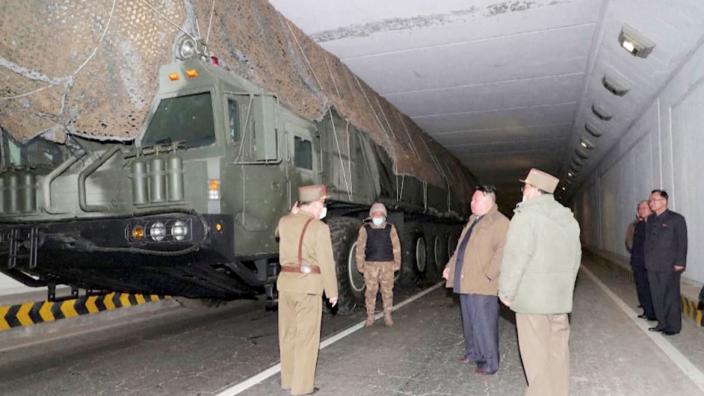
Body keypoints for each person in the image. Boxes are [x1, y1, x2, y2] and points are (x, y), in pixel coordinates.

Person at [498, 169, 581, 396]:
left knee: (536, 358)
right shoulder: (568, 219)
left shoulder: (525, 217)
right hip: (559, 300)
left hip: (532, 302)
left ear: (534, 189)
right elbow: (576, 260)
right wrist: (565, 289)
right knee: (558, 353)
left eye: (525, 186)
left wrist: (506, 292)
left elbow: (515, 258)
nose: (523, 190)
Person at [276, 184, 338, 395]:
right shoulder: (319, 228)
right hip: (308, 288)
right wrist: (332, 291)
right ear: (314, 204)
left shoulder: (284, 222)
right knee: (306, 338)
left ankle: (288, 380)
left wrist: (291, 213)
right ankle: (302, 388)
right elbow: (326, 262)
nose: (323, 208)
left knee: (287, 335)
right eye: (322, 203)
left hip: (285, 285)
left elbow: (277, 233)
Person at [442, 185, 509, 375]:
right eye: (472, 200)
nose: (471, 203)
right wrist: (450, 266)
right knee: (470, 320)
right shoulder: (473, 221)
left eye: (475, 200)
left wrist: (489, 274)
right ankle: (473, 352)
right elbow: (460, 249)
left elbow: (504, 251)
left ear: (489, 201)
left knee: (484, 324)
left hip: (483, 283)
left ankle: (490, 362)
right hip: (466, 280)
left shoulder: (500, 222)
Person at [645, 189, 687, 335]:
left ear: (664, 201)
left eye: (654, 200)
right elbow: (648, 242)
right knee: (656, 295)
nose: (651, 203)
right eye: (650, 200)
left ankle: (673, 327)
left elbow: (682, 242)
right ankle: (662, 323)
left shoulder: (676, 219)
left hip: (669, 265)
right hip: (652, 265)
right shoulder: (650, 219)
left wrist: (680, 262)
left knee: (670, 296)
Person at [355, 202, 402, 327]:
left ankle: (387, 315)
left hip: (387, 265)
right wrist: (360, 265)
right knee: (370, 292)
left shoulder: (390, 228)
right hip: (370, 266)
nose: (377, 215)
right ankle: (370, 316)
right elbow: (360, 248)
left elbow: (396, 247)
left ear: (384, 216)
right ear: (371, 215)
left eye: (380, 214)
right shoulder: (365, 229)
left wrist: (397, 263)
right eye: (375, 213)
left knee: (387, 291)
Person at [625, 200, 656, 321]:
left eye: (645, 207)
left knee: (649, 288)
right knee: (641, 288)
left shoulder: (654, 224)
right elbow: (631, 242)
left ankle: (653, 313)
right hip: (638, 262)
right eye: (640, 208)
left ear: (651, 209)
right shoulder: (638, 225)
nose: (642, 210)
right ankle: (647, 311)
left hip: (648, 263)